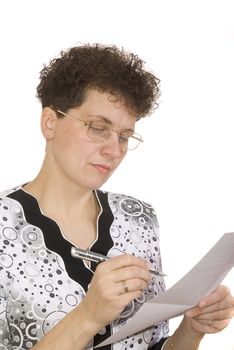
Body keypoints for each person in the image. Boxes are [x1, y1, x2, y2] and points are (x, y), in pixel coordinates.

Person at [0, 43, 233, 350]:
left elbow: (154, 343)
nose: (115, 150)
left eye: (125, 136)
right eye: (98, 128)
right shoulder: (5, 227)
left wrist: (192, 328)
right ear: (50, 122)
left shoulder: (138, 218)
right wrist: (88, 315)